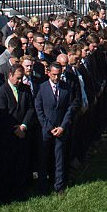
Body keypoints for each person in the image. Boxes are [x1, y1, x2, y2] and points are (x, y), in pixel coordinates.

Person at [0, 64, 36, 202]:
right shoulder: (0, 92)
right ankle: (6, 195)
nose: (19, 81)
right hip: (7, 136)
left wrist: (23, 126)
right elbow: (2, 113)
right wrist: (14, 129)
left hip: (22, 133)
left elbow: (30, 109)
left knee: (21, 164)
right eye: (17, 78)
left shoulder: (26, 90)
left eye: (21, 78)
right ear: (10, 75)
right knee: (7, 165)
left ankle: (20, 192)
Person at [34, 62, 75, 194]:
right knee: (43, 158)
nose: (56, 78)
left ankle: (59, 185)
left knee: (59, 158)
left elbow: (70, 108)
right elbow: (38, 108)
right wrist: (48, 126)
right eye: (54, 75)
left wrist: (62, 126)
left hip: (60, 128)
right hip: (46, 129)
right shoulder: (42, 88)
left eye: (58, 75)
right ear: (48, 73)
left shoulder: (66, 88)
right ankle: (43, 186)